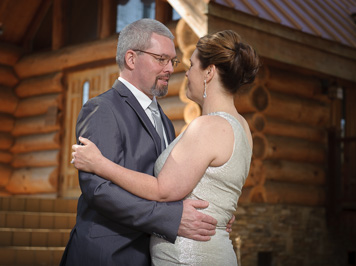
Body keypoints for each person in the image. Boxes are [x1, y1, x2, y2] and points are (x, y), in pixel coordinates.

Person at [71, 29, 260, 265]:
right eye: (161, 59)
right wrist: (215, 215)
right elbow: (98, 190)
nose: (179, 71)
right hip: (112, 253)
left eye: (188, 65)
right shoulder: (242, 127)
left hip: (189, 255)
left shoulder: (204, 126)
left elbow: (162, 189)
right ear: (131, 59)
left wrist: (100, 163)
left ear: (209, 72)